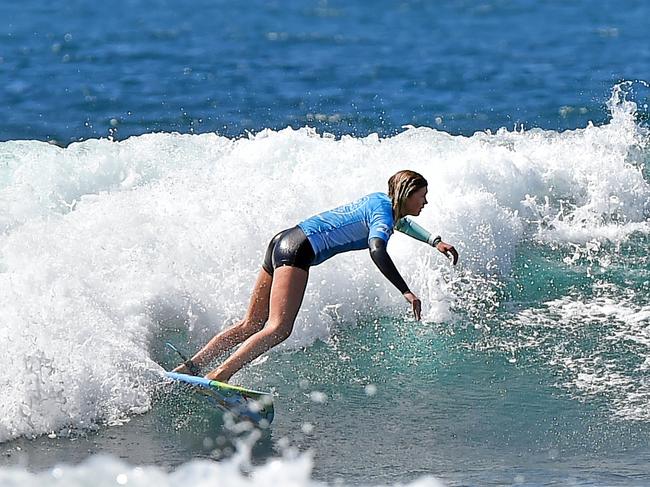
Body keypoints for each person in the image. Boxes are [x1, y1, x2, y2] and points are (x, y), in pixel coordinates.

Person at [173, 170, 458, 382]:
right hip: (299, 250)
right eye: (422, 196)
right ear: (407, 196)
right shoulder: (383, 216)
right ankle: (220, 375)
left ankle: (192, 367)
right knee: (279, 328)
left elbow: (402, 224)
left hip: (283, 240)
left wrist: (435, 241)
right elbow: (377, 249)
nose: (426, 202)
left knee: (252, 323)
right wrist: (405, 291)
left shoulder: (380, 203)